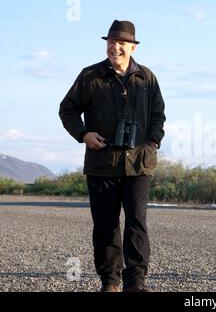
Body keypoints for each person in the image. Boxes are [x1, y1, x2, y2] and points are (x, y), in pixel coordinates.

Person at [59, 20, 166, 292]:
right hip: (101, 164)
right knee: (106, 225)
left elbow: (158, 114)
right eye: (110, 42)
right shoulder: (90, 76)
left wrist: (153, 141)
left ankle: (136, 282)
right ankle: (110, 281)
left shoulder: (147, 78)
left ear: (132, 47)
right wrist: (84, 134)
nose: (115, 47)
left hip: (139, 164)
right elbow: (68, 109)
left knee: (136, 223)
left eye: (121, 43)